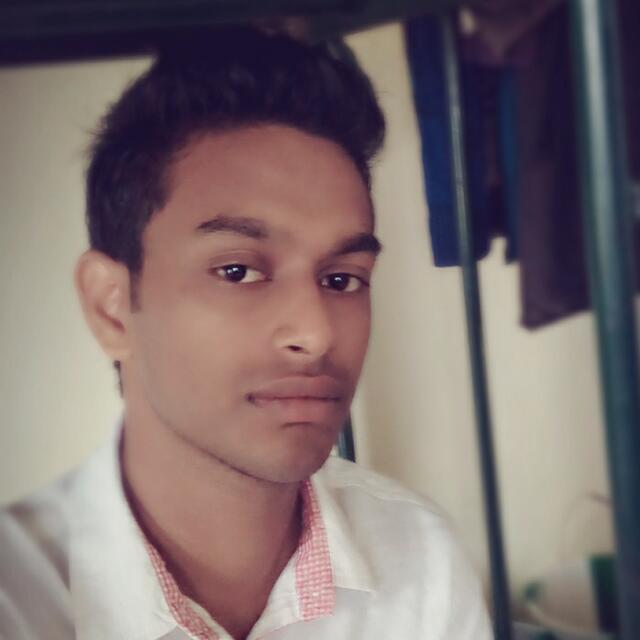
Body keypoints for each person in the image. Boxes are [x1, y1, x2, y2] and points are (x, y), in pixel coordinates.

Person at [0, 26, 491, 640]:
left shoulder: (420, 562)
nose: (315, 334)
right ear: (112, 308)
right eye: (238, 271)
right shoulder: (19, 601)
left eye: (342, 279)